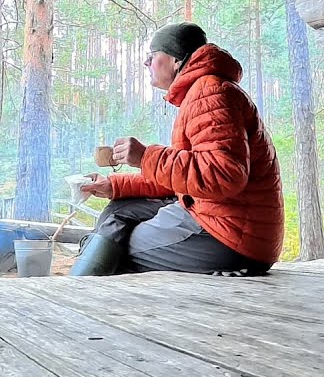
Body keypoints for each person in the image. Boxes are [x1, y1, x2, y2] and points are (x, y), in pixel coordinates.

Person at [73, 23, 284, 276]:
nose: (145, 63)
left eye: (152, 56)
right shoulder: (203, 91)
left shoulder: (210, 93)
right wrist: (115, 186)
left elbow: (223, 175)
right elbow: (185, 180)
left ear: (175, 60)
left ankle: (78, 292)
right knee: (119, 210)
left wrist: (145, 156)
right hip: (222, 218)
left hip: (231, 236)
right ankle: (85, 271)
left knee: (115, 249)